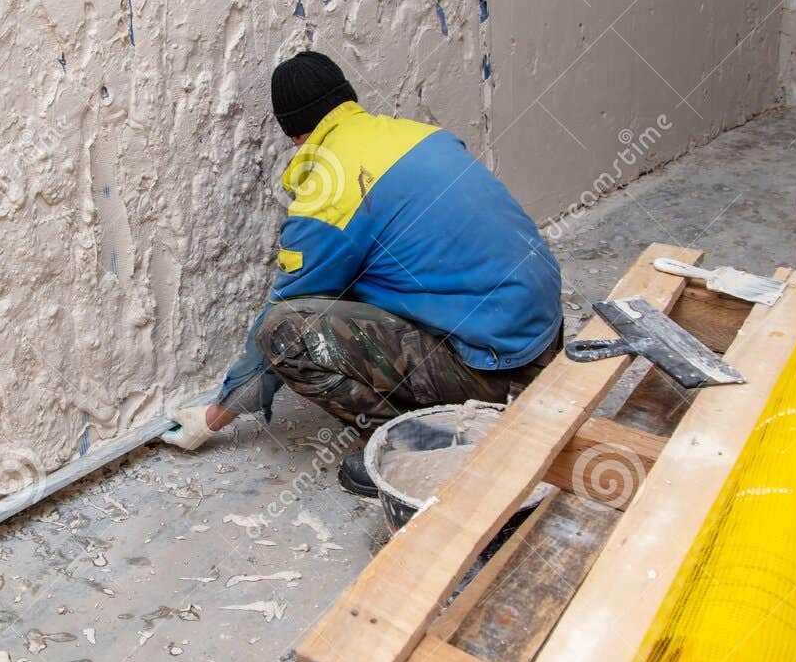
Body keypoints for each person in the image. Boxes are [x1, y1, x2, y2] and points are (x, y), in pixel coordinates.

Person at [163, 51, 563, 497]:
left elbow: (283, 315)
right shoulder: (419, 136)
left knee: (283, 332)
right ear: (347, 100)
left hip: (498, 369)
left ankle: (416, 445)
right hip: (545, 334)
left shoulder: (329, 192)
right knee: (364, 276)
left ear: (293, 133)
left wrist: (215, 416)